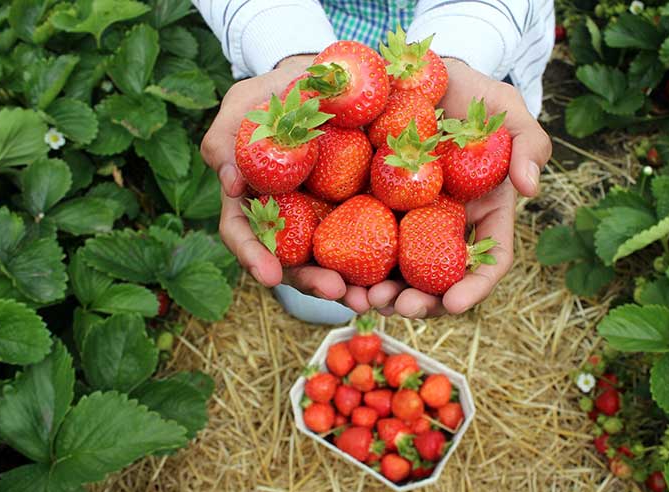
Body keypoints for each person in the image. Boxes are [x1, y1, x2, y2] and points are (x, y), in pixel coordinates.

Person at [193, 0, 554, 323]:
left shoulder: (419, 122)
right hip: (314, 45)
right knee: (317, 300)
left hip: (477, 41)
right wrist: (289, 50)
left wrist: (460, 50)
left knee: (330, 284)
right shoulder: (315, 112)